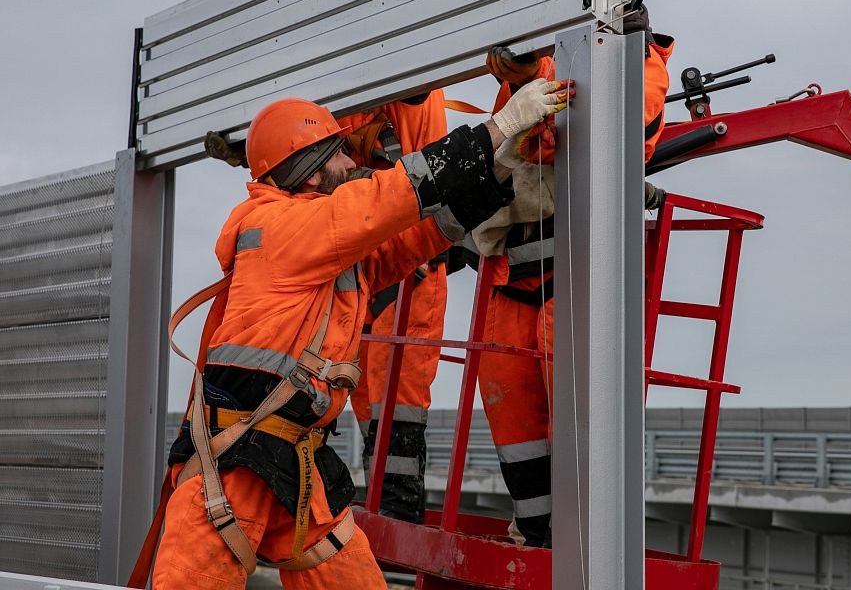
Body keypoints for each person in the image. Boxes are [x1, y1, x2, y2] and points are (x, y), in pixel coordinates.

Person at [148, 78, 570, 589]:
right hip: (233, 468)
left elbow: (418, 239)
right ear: (305, 168)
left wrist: (501, 164)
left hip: (292, 461)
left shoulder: (325, 243)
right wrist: (496, 127)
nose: (352, 164)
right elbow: (388, 197)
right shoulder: (282, 226)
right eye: (338, 155)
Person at [469, 0, 673, 547]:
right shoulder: (536, 65)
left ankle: (588, 550)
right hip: (514, 284)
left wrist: (532, 85)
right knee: (517, 431)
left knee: (584, 432)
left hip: (576, 281)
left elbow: (606, 133)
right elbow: (505, 143)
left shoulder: (640, 64)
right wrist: (523, 77)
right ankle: (536, 535)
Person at [340, 91, 454, 523]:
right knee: (368, 399)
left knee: (396, 397)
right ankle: (382, 503)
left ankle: (397, 506)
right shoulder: (348, 96)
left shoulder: (405, 85)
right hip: (368, 260)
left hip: (412, 263)